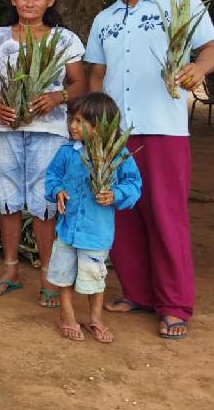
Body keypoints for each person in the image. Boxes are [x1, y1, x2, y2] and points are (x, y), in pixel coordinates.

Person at [86, 0, 214, 339]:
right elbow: (96, 72)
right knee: (122, 214)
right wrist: (92, 124)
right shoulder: (104, 18)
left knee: (165, 215)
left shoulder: (179, 1)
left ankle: (174, 304)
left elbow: (209, 50)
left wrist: (199, 70)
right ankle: (139, 293)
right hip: (114, 133)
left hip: (163, 129)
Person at [0, 0, 86, 307]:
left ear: (50, 1)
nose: (29, 2)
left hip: (49, 131)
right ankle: (11, 269)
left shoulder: (64, 39)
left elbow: (79, 84)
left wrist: (57, 98)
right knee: (8, 197)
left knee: (44, 202)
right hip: (4, 128)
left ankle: (47, 274)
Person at [44, 93, 142, 342]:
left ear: (99, 125)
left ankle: (95, 317)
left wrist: (115, 194)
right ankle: (66, 314)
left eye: (79, 121)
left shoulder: (118, 156)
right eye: (71, 119)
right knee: (64, 273)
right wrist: (57, 191)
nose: (72, 125)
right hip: (67, 228)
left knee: (94, 276)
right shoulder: (67, 152)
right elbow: (52, 177)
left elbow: (134, 184)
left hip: (95, 231)